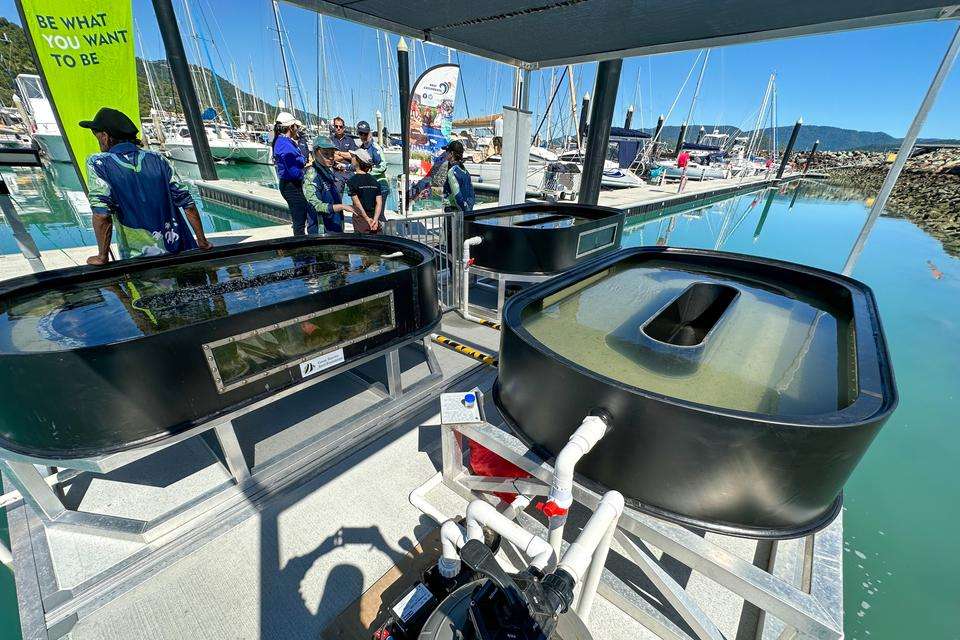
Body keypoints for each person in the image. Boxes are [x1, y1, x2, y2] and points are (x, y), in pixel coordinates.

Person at [80, 107, 211, 265]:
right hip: (181, 249)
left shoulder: (99, 163)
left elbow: (102, 214)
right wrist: (202, 242)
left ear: (105, 136)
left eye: (97, 136)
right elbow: (187, 203)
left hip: (140, 259)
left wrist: (102, 256)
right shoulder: (158, 159)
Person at [272, 111, 313, 236]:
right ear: (291, 127)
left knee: (300, 217)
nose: (297, 128)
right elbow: (294, 169)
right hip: (291, 186)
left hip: (291, 184)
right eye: (296, 126)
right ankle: (301, 252)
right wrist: (304, 166)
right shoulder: (284, 145)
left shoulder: (283, 141)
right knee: (299, 220)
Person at [303, 135, 355, 233]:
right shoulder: (312, 175)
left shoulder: (328, 172)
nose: (331, 157)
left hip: (335, 227)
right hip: (322, 232)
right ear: (315, 153)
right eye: (326, 154)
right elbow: (315, 205)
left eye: (332, 154)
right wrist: (342, 207)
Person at [346, 149, 384, 233]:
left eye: (353, 156)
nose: (352, 158)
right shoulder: (375, 181)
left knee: (362, 244)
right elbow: (379, 203)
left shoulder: (352, 181)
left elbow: (357, 203)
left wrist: (367, 219)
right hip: (374, 218)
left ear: (357, 161)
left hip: (360, 219)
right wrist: (375, 220)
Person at [355, 120, 390, 198]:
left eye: (366, 133)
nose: (363, 136)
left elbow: (383, 166)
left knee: (378, 210)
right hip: (368, 187)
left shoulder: (376, 147)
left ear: (370, 133)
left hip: (380, 186)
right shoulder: (361, 148)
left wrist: (367, 171)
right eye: (361, 133)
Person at [442, 140, 475, 212]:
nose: (445, 153)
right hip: (468, 209)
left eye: (446, 151)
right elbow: (472, 193)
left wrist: (464, 211)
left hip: (454, 211)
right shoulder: (465, 171)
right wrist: (469, 209)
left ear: (451, 153)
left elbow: (457, 195)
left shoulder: (452, 172)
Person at [329, 116, 357, 189]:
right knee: (337, 196)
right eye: (336, 126)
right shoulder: (330, 141)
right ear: (334, 127)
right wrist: (346, 155)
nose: (338, 128)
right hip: (336, 172)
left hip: (349, 171)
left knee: (357, 194)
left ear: (343, 128)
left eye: (340, 126)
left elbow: (353, 156)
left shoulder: (350, 140)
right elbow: (332, 157)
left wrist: (338, 153)